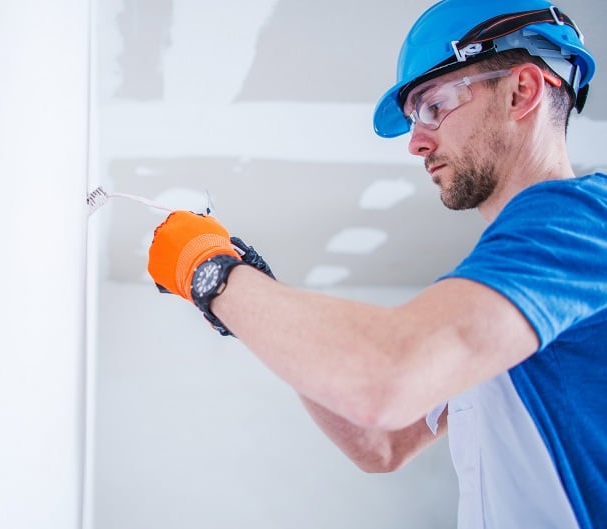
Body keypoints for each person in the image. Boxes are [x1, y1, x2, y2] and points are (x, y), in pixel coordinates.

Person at [146, 0, 606, 527]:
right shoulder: (513, 282)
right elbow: (382, 443)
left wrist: (212, 274)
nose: (415, 142)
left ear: (521, 91)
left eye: (434, 107)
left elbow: (383, 382)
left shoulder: (581, 222)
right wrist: (248, 298)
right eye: (414, 118)